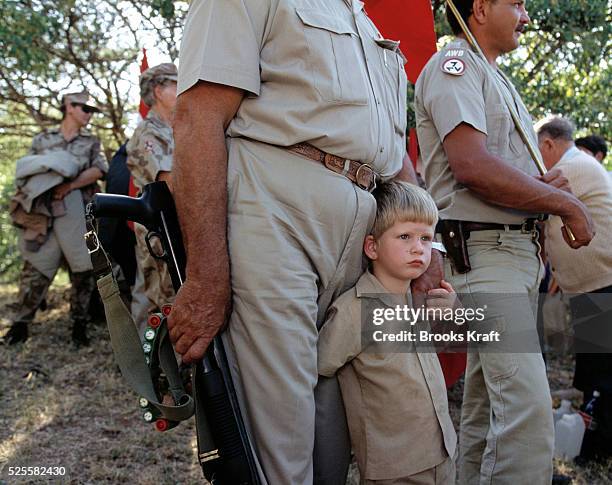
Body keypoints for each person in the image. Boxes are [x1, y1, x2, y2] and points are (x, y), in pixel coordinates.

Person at [168, 1, 427, 483]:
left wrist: (421, 241)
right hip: (275, 208)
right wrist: (206, 275)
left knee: (332, 430)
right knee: (279, 438)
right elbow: (198, 117)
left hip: (364, 217)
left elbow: (388, 150)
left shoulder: (361, 16)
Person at [414, 1, 594, 483]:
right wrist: (566, 205)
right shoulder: (456, 68)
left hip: (509, 257)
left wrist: (544, 189)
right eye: (515, 4)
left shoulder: (496, 79)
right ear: (478, 8)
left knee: (484, 410)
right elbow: (472, 168)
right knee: (526, 417)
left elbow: (501, 171)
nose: (526, 17)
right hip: (485, 257)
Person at [318, 181, 457, 485]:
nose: (418, 248)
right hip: (394, 469)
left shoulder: (418, 301)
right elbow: (317, 367)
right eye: (404, 236)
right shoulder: (354, 311)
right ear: (372, 247)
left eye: (425, 238)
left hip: (443, 453)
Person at [4, 91, 107, 347]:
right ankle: (20, 325)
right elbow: (29, 171)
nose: (89, 115)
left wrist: (70, 186)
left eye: (92, 111)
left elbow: (99, 169)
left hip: (78, 216)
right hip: (46, 216)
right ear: (69, 107)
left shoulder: (92, 141)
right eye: (85, 109)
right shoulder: (42, 139)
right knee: (35, 269)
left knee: (83, 272)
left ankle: (79, 326)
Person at [537, 116, 612, 462]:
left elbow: (534, 194)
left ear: (549, 143)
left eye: (538, 149)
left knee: (602, 369)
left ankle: (598, 447)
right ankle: (593, 437)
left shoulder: (573, 167)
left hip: (603, 283)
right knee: (594, 365)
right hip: (594, 284)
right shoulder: (575, 164)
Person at [126, 63, 177, 334]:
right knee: (165, 301)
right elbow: (167, 182)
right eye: (176, 84)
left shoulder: (178, 128)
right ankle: (159, 369)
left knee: (153, 298)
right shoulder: (149, 132)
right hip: (159, 232)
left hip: (176, 225)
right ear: (159, 90)